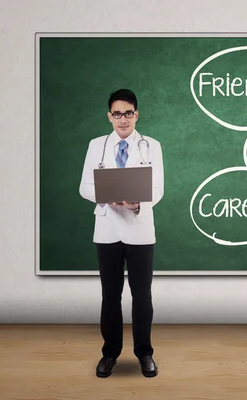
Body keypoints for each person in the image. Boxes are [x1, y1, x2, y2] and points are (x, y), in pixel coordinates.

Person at [79, 89, 164, 378]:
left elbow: (157, 189)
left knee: (142, 297)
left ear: (136, 115)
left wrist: (136, 202)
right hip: (107, 231)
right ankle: (110, 354)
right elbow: (85, 187)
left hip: (140, 231)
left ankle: (145, 354)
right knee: (110, 296)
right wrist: (107, 197)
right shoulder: (96, 146)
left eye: (128, 113)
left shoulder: (151, 146)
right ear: (109, 116)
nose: (123, 119)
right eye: (117, 114)